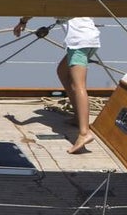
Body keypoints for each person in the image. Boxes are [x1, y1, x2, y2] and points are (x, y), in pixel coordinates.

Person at [14, 16, 100, 153]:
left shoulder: (63, 1)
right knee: (62, 71)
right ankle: (78, 117)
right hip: (91, 40)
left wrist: (22, 22)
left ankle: (84, 133)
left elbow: (40, 7)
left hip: (79, 42)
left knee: (79, 86)